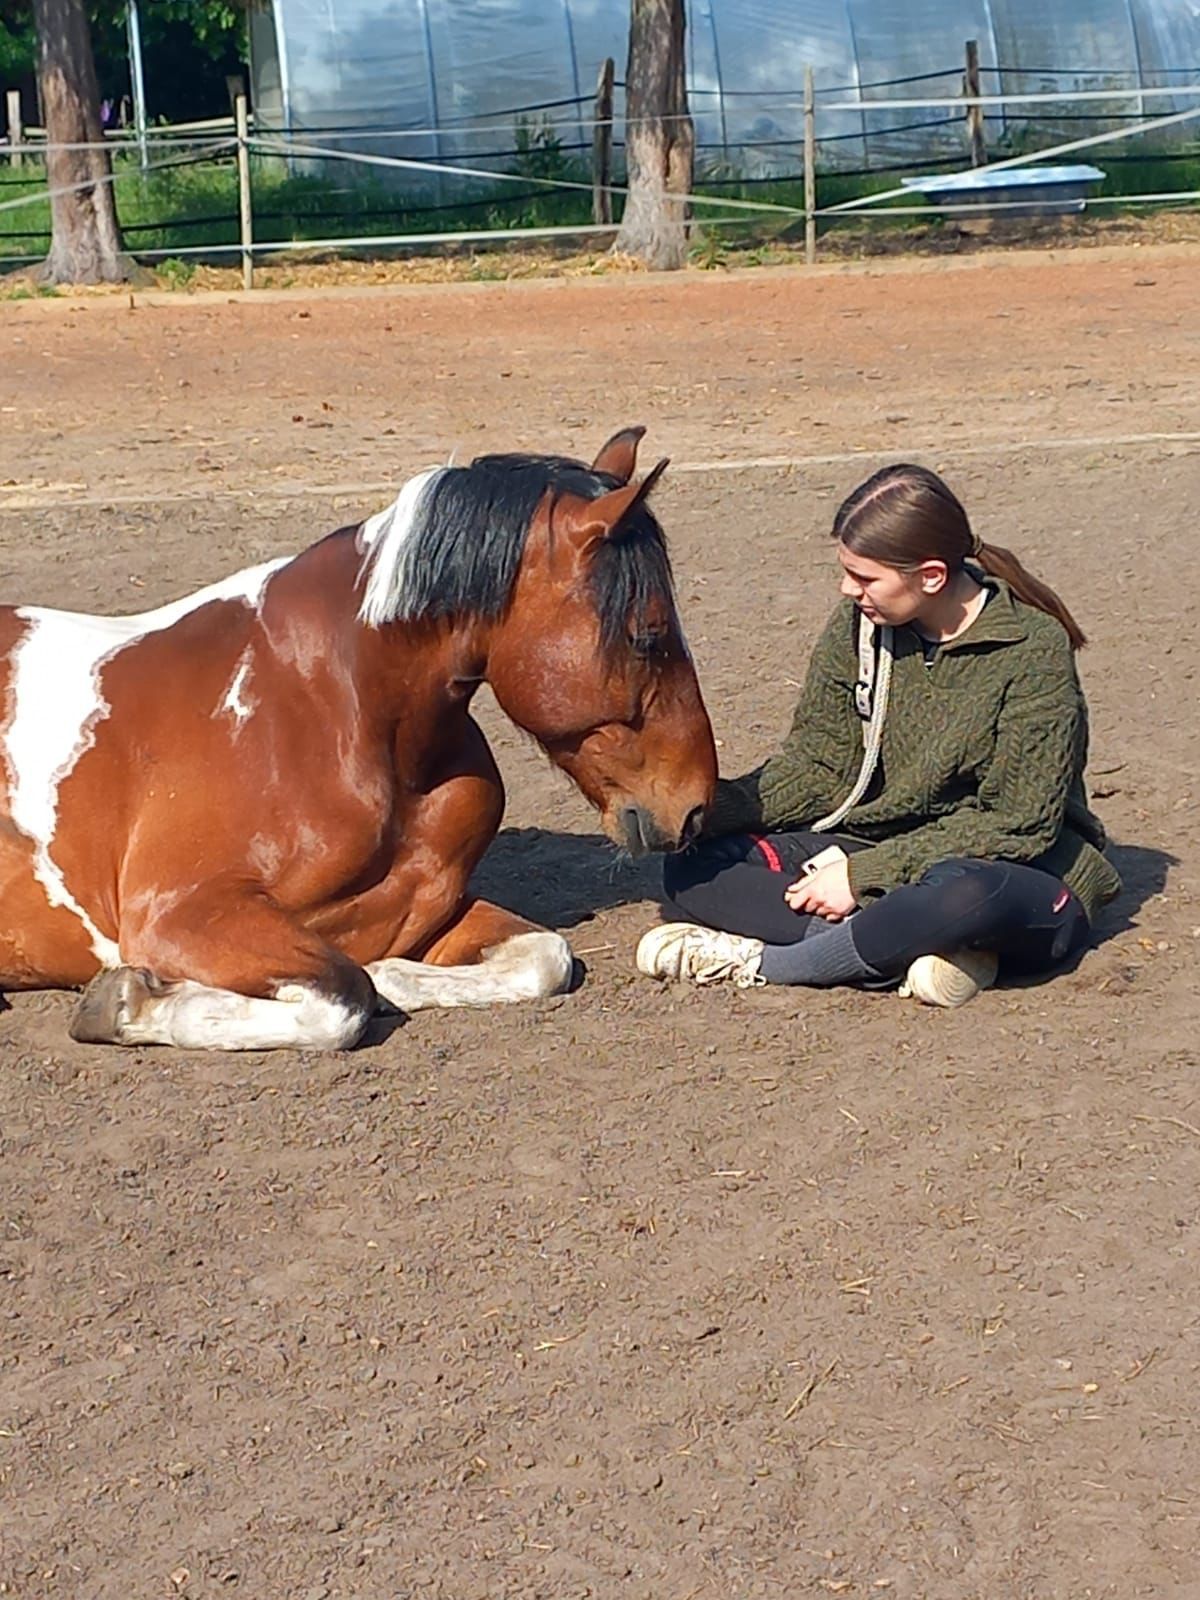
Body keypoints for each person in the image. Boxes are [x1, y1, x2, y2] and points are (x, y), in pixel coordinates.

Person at [636, 463, 1122, 1007]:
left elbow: (1018, 821)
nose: (848, 589)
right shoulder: (859, 625)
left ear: (931, 576)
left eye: (864, 578)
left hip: (1006, 869)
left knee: (964, 896)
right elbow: (818, 767)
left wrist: (864, 876)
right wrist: (698, 812)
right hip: (877, 846)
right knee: (694, 865)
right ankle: (913, 949)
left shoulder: (1033, 649)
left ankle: (767, 963)